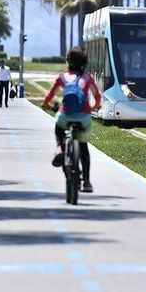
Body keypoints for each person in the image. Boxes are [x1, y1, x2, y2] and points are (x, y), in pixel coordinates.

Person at [42, 47, 101, 193]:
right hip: (84, 117)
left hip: (65, 115)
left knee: (58, 128)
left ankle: (60, 149)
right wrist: (94, 107)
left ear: (68, 61)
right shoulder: (87, 78)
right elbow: (98, 95)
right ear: (84, 63)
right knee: (84, 148)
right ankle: (86, 182)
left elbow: (49, 95)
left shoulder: (63, 77)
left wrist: (45, 105)